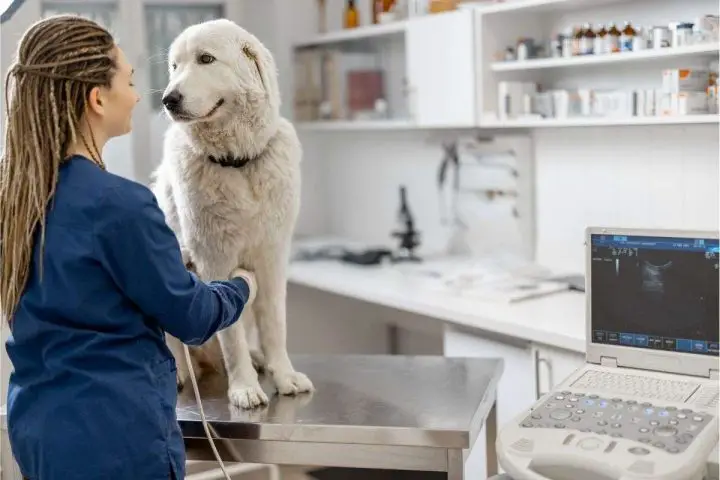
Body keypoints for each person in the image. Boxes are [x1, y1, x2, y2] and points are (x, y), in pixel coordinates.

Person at [0, 15, 256, 480]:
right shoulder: (120, 205)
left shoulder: (14, 197)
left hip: (39, 431)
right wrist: (241, 285)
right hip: (117, 439)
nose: (140, 96)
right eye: (130, 81)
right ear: (97, 99)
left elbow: (79, 292)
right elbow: (193, 318)